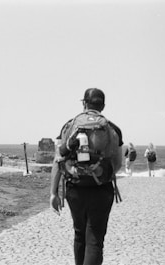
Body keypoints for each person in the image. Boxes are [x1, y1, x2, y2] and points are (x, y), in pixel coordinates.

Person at [50, 88, 123, 265]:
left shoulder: (69, 125)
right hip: (101, 190)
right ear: (103, 106)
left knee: (79, 234)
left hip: (75, 189)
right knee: (95, 239)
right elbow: (118, 164)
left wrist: (53, 193)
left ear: (84, 103)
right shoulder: (113, 129)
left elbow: (58, 160)